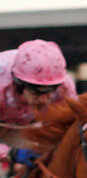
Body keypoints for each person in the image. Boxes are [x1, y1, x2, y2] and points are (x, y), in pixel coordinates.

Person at [0, 40, 77, 170]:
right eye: (36, 93)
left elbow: (70, 128)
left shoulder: (65, 87)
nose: (43, 100)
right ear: (19, 84)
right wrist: (11, 153)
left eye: (49, 93)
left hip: (25, 125)